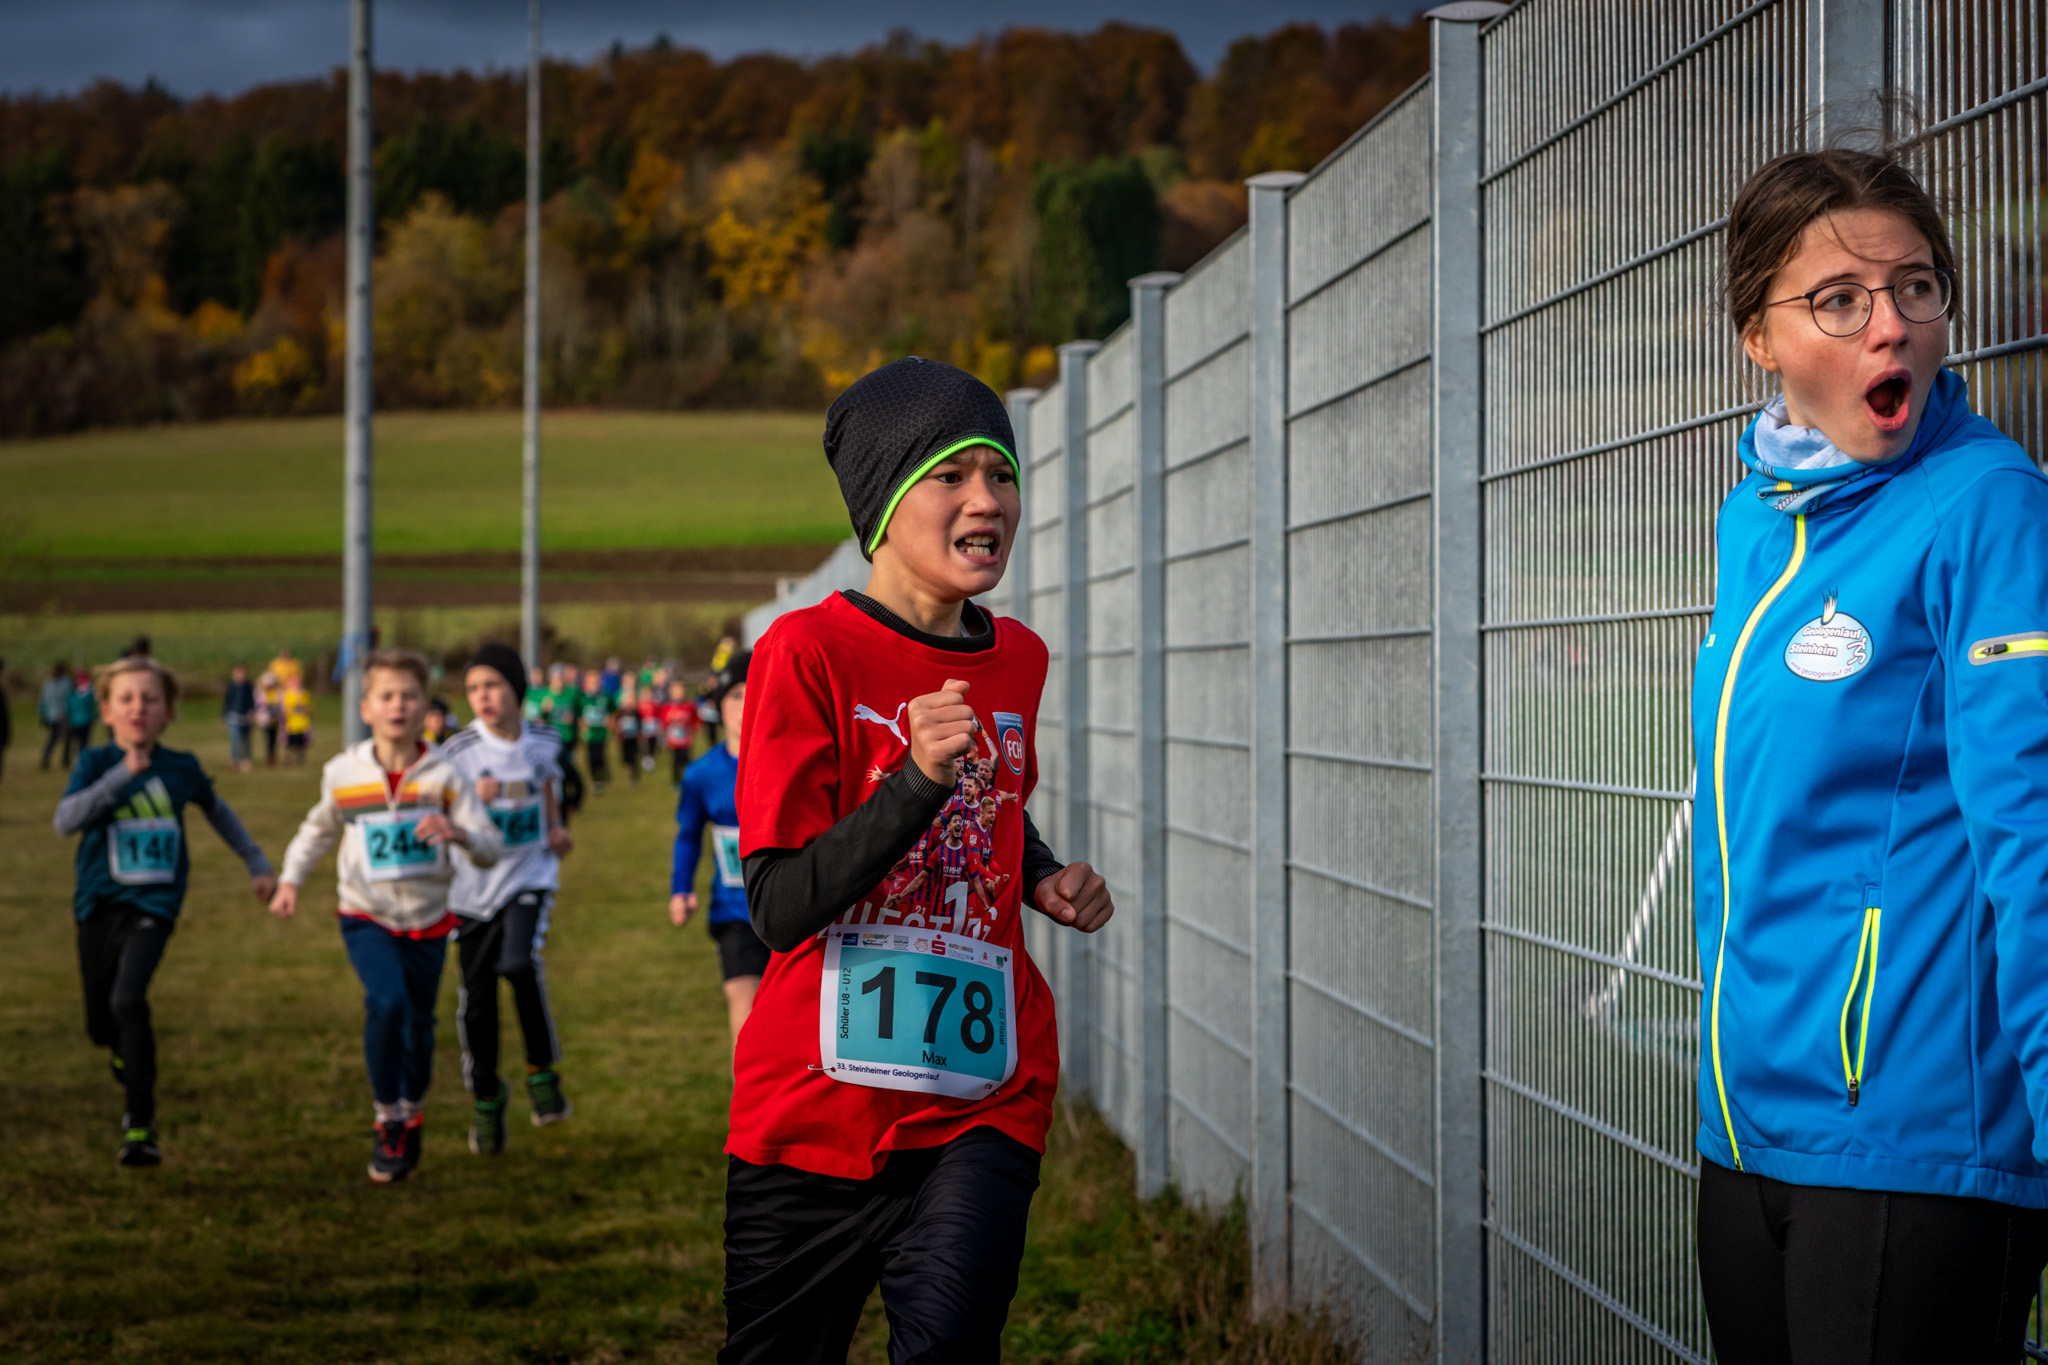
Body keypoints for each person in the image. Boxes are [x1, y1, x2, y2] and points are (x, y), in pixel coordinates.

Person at [1693, 148, 2048, 1362]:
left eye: (1913, 287)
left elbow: (2034, 831)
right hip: (1746, 1124)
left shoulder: (1984, 504)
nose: (1889, 324)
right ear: (1757, 336)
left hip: (1917, 1135)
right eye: (1837, 299)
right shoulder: (1756, 517)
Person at [720, 357, 1114, 1362]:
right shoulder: (805, 652)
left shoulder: (1017, 657)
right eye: (951, 475)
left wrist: (1038, 874)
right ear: (883, 503)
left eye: (1002, 473)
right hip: (812, 1110)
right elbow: (777, 905)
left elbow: (997, 803)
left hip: (982, 1099)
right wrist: (912, 781)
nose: (988, 499)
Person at [270, 649, 502, 1183]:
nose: (398, 705)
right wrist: (290, 880)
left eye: (409, 696)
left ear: (425, 707)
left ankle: (412, 1111)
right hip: (365, 913)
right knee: (386, 1002)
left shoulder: (444, 775)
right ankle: (387, 1117)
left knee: (419, 1025)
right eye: (387, 696)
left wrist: (458, 833)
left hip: (428, 919)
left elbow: (490, 846)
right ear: (366, 707)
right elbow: (317, 831)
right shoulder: (344, 772)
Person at [52, 656, 276, 1166]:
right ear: (106, 711)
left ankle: (140, 1125)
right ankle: (120, 1051)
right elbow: (65, 821)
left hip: (155, 904)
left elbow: (219, 813)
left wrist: (257, 863)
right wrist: (120, 777)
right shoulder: (95, 763)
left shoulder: (181, 767)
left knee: (129, 999)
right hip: (98, 904)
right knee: (100, 1022)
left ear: (169, 711)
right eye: (126, 699)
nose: (139, 708)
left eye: (151, 699)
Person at [439, 643, 576, 1154]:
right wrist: (470, 802)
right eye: (473, 688)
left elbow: (549, 784)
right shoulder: (458, 751)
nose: (483, 697)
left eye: (493, 685)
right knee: (477, 1004)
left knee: (519, 964)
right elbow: (434, 813)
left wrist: (556, 825)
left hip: (529, 876)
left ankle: (541, 1071)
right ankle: (486, 1096)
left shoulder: (545, 740)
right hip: (472, 891)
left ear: (516, 689)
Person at [670, 650, 769, 1051]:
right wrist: (681, 889)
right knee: (745, 1017)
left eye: (755, 693)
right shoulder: (701, 775)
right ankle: (745, 1091)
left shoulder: (792, 766)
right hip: (734, 912)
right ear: (719, 704)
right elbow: (688, 835)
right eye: (736, 695)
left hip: (793, 910)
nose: (746, 705)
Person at [577, 667, 612, 793]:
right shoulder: (582, 698)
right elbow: (578, 713)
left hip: (601, 732)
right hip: (589, 733)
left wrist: (609, 720)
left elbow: (612, 710)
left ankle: (602, 774)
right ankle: (596, 780)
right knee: (591, 758)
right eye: (591, 682)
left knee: (600, 756)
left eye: (596, 682)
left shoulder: (604, 696)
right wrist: (581, 722)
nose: (594, 685)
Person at [659, 679, 696, 788]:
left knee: (687, 761)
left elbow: (694, 720)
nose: (678, 694)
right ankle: (676, 781)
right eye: (675, 691)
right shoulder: (667, 707)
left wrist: (692, 733)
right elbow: (663, 723)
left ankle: (688, 780)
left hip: (685, 740)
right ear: (671, 693)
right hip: (673, 741)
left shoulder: (689, 706)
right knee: (675, 762)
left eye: (680, 691)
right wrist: (670, 719)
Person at [221, 663, 255, 772]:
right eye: (237, 673)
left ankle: (246, 760)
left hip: (245, 716)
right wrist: (223, 717)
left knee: (246, 739)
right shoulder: (231, 686)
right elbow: (226, 702)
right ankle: (234, 760)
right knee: (236, 739)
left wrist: (252, 712)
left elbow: (251, 700)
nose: (240, 675)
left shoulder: (248, 686)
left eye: (242, 673)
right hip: (233, 716)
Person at [40, 660, 71, 770]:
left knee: (53, 738)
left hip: (51, 715)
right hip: (62, 715)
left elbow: (43, 700)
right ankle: (65, 760)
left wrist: (43, 713)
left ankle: (46, 758)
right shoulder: (66, 682)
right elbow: (69, 698)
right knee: (66, 738)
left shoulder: (48, 682)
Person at [65, 670, 97, 763]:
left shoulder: (72, 694)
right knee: (83, 743)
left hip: (75, 721)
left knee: (74, 742)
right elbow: (93, 707)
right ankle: (81, 759)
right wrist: (94, 717)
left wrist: (69, 718)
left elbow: (69, 708)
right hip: (85, 721)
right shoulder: (88, 694)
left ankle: (70, 759)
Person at [615, 678, 642, 785]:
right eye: (627, 701)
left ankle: (634, 775)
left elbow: (640, 724)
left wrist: (639, 734)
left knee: (634, 756)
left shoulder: (636, 712)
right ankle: (628, 764)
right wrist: (618, 732)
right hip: (624, 738)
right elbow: (617, 724)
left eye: (631, 701)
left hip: (633, 738)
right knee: (626, 756)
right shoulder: (620, 712)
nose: (629, 703)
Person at [282, 677, 314, 765]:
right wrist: (292, 709)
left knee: (302, 744)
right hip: (292, 724)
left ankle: (300, 759)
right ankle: (288, 759)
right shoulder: (288, 694)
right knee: (290, 743)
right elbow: (285, 709)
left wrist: (303, 708)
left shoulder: (305, 694)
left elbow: (309, 708)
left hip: (303, 724)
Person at [255, 670, 282, 767]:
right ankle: (269, 756)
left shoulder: (277, 692)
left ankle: (273, 756)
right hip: (265, 719)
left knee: (274, 738)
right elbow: (259, 704)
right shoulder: (260, 693)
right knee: (268, 738)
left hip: (275, 719)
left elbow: (280, 704)